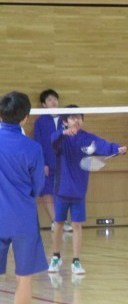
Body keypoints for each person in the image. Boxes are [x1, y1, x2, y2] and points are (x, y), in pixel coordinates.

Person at [48, 105, 128, 275]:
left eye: (79, 117)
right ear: (65, 122)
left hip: (79, 190)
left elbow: (104, 146)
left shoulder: (88, 138)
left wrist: (118, 148)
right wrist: (63, 133)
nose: (76, 120)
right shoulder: (61, 138)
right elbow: (52, 140)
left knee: (77, 225)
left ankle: (76, 261)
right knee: (59, 223)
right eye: (72, 117)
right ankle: (55, 257)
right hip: (62, 189)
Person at [0, 91, 48, 304]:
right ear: (26, 117)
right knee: (24, 278)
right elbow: (38, 187)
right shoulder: (33, 148)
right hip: (23, 220)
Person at [32, 89, 72, 233]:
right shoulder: (40, 122)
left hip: (64, 164)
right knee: (47, 192)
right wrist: (42, 163)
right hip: (48, 164)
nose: (53, 102)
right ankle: (56, 222)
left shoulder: (66, 120)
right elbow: (38, 143)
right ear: (44, 105)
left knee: (63, 193)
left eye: (55, 99)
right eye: (49, 100)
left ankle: (63, 220)